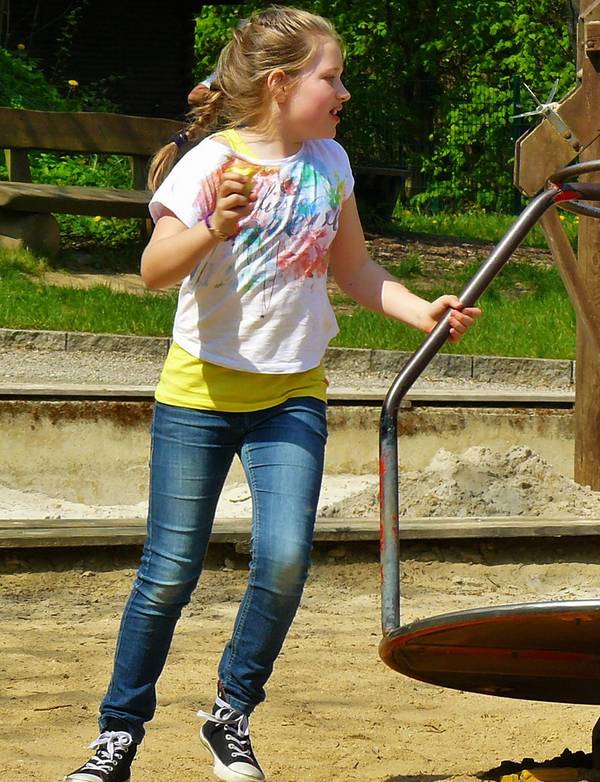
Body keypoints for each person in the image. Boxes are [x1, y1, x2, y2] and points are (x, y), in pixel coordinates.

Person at [65, 8, 479, 782]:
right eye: (332, 76)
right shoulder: (210, 163)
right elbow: (155, 270)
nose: (344, 91)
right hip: (196, 395)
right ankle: (118, 732)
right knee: (169, 573)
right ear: (282, 83)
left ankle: (231, 711)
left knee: (285, 559)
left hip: (291, 396)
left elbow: (355, 271)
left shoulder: (332, 163)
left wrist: (422, 309)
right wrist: (214, 227)